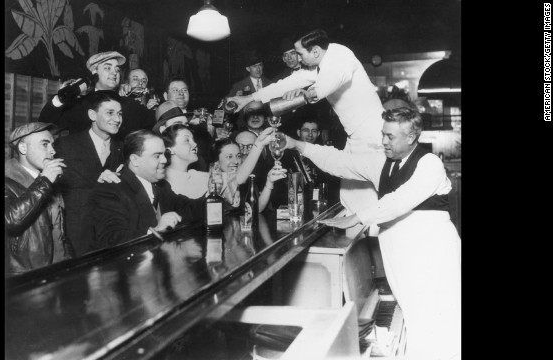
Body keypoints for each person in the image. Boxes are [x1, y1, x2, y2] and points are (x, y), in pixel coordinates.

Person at [284, 107, 461, 360]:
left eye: (390, 136)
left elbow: (399, 201)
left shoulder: (430, 164)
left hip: (432, 256)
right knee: (415, 323)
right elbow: (340, 162)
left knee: (440, 331)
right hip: (399, 256)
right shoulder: (382, 162)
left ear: (411, 137)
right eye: (383, 134)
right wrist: (297, 144)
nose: (383, 141)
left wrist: (356, 217)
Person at [227, 29, 385, 235]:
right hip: (355, 137)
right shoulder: (317, 66)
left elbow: (332, 81)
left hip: (374, 136)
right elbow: (288, 83)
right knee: (350, 199)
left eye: (300, 54)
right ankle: (356, 248)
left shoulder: (341, 56)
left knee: (375, 205)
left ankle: (374, 245)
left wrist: (309, 93)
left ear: (316, 51)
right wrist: (248, 99)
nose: (298, 59)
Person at [84, 130, 206, 252]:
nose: (164, 160)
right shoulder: (110, 190)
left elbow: (189, 208)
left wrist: (215, 196)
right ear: (135, 160)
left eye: (164, 154)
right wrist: (154, 231)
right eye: (157, 156)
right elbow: (110, 239)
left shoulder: (161, 186)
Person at [54, 90, 125, 256]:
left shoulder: (124, 148)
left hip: (112, 235)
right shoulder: (66, 145)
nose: (117, 119)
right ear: (92, 115)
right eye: (110, 113)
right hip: (77, 237)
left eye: (120, 114)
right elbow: (64, 189)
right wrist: (98, 180)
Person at [5, 122, 74, 275]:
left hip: (56, 272)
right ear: (23, 148)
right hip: (24, 277)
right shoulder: (9, 180)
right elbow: (11, 220)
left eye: (52, 144)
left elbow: (60, 231)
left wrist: (70, 262)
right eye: (45, 144)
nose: (53, 151)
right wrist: (45, 181)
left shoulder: (48, 181)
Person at [39, 51, 154, 139]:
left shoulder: (130, 105)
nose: (114, 72)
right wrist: (60, 99)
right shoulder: (79, 104)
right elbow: (45, 123)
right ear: (95, 73)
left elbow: (155, 123)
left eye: (117, 69)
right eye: (108, 68)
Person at [162, 77, 214, 171]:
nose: (181, 93)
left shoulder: (202, 122)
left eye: (184, 90)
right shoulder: (159, 120)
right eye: (175, 90)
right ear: (165, 96)